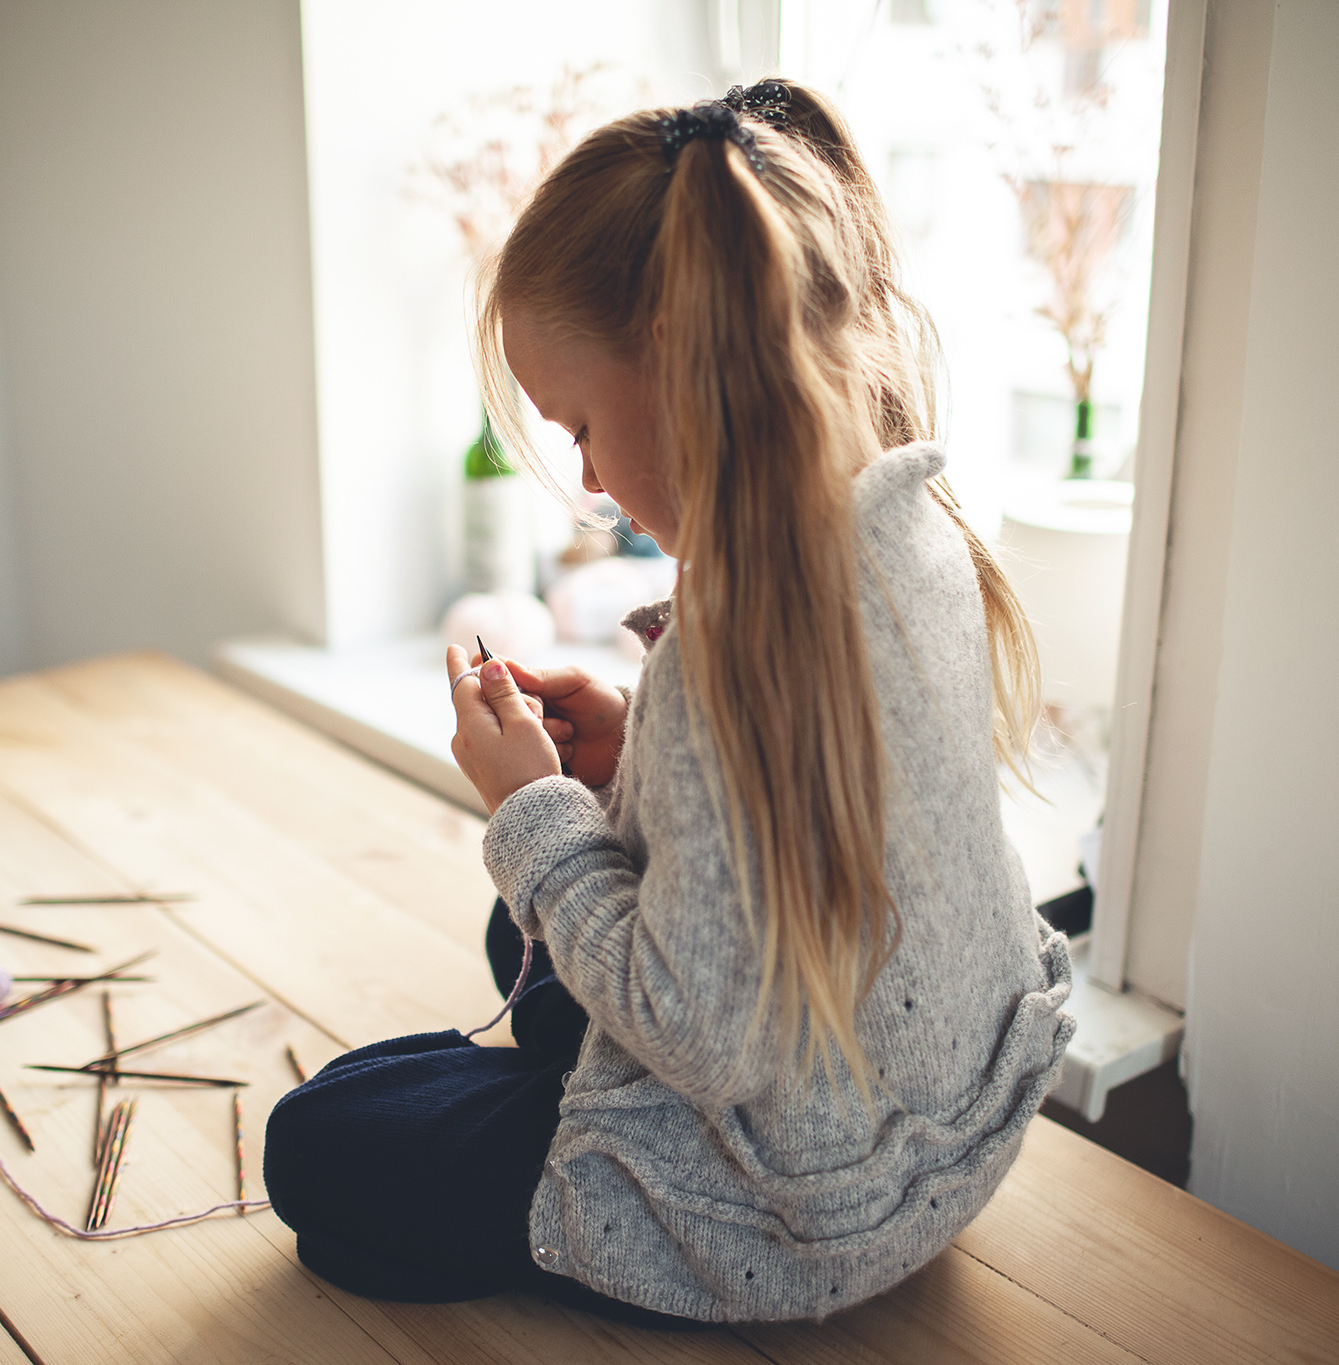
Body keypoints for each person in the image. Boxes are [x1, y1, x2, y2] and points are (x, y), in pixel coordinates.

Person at [264, 78, 1075, 1327]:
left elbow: (703, 1036)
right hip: (946, 1124)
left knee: (318, 1142)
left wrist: (534, 806)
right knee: (517, 938)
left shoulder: (735, 643)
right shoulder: (910, 527)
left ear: (690, 378)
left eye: (583, 426)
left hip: (800, 1215)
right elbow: (805, 811)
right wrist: (631, 742)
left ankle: (608, 1204)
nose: (583, 477)